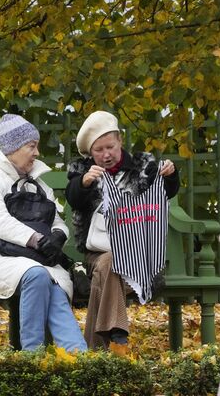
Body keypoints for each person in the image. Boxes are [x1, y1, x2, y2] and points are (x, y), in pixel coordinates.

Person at [0, 113, 87, 352]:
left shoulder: (38, 184)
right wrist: (37, 240)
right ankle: (32, 356)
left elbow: (58, 222)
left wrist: (58, 237)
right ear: (14, 148)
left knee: (55, 286)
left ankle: (79, 357)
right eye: (32, 146)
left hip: (34, 261)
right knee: (38, 276)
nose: (37, 153)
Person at [65, 110, 179, 350]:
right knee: (108, 263)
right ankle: (116, 335)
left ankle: (100, 348)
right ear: (90, 152)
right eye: (99, 150)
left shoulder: (141, 166)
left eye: (110, 147)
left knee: (106, 272)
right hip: (98, 252)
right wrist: (85, 182)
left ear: (120, 141)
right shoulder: (83, 170)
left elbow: (165, 192)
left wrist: (170, 176)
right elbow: (74, 198)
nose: (106, 155)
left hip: (138, 254)